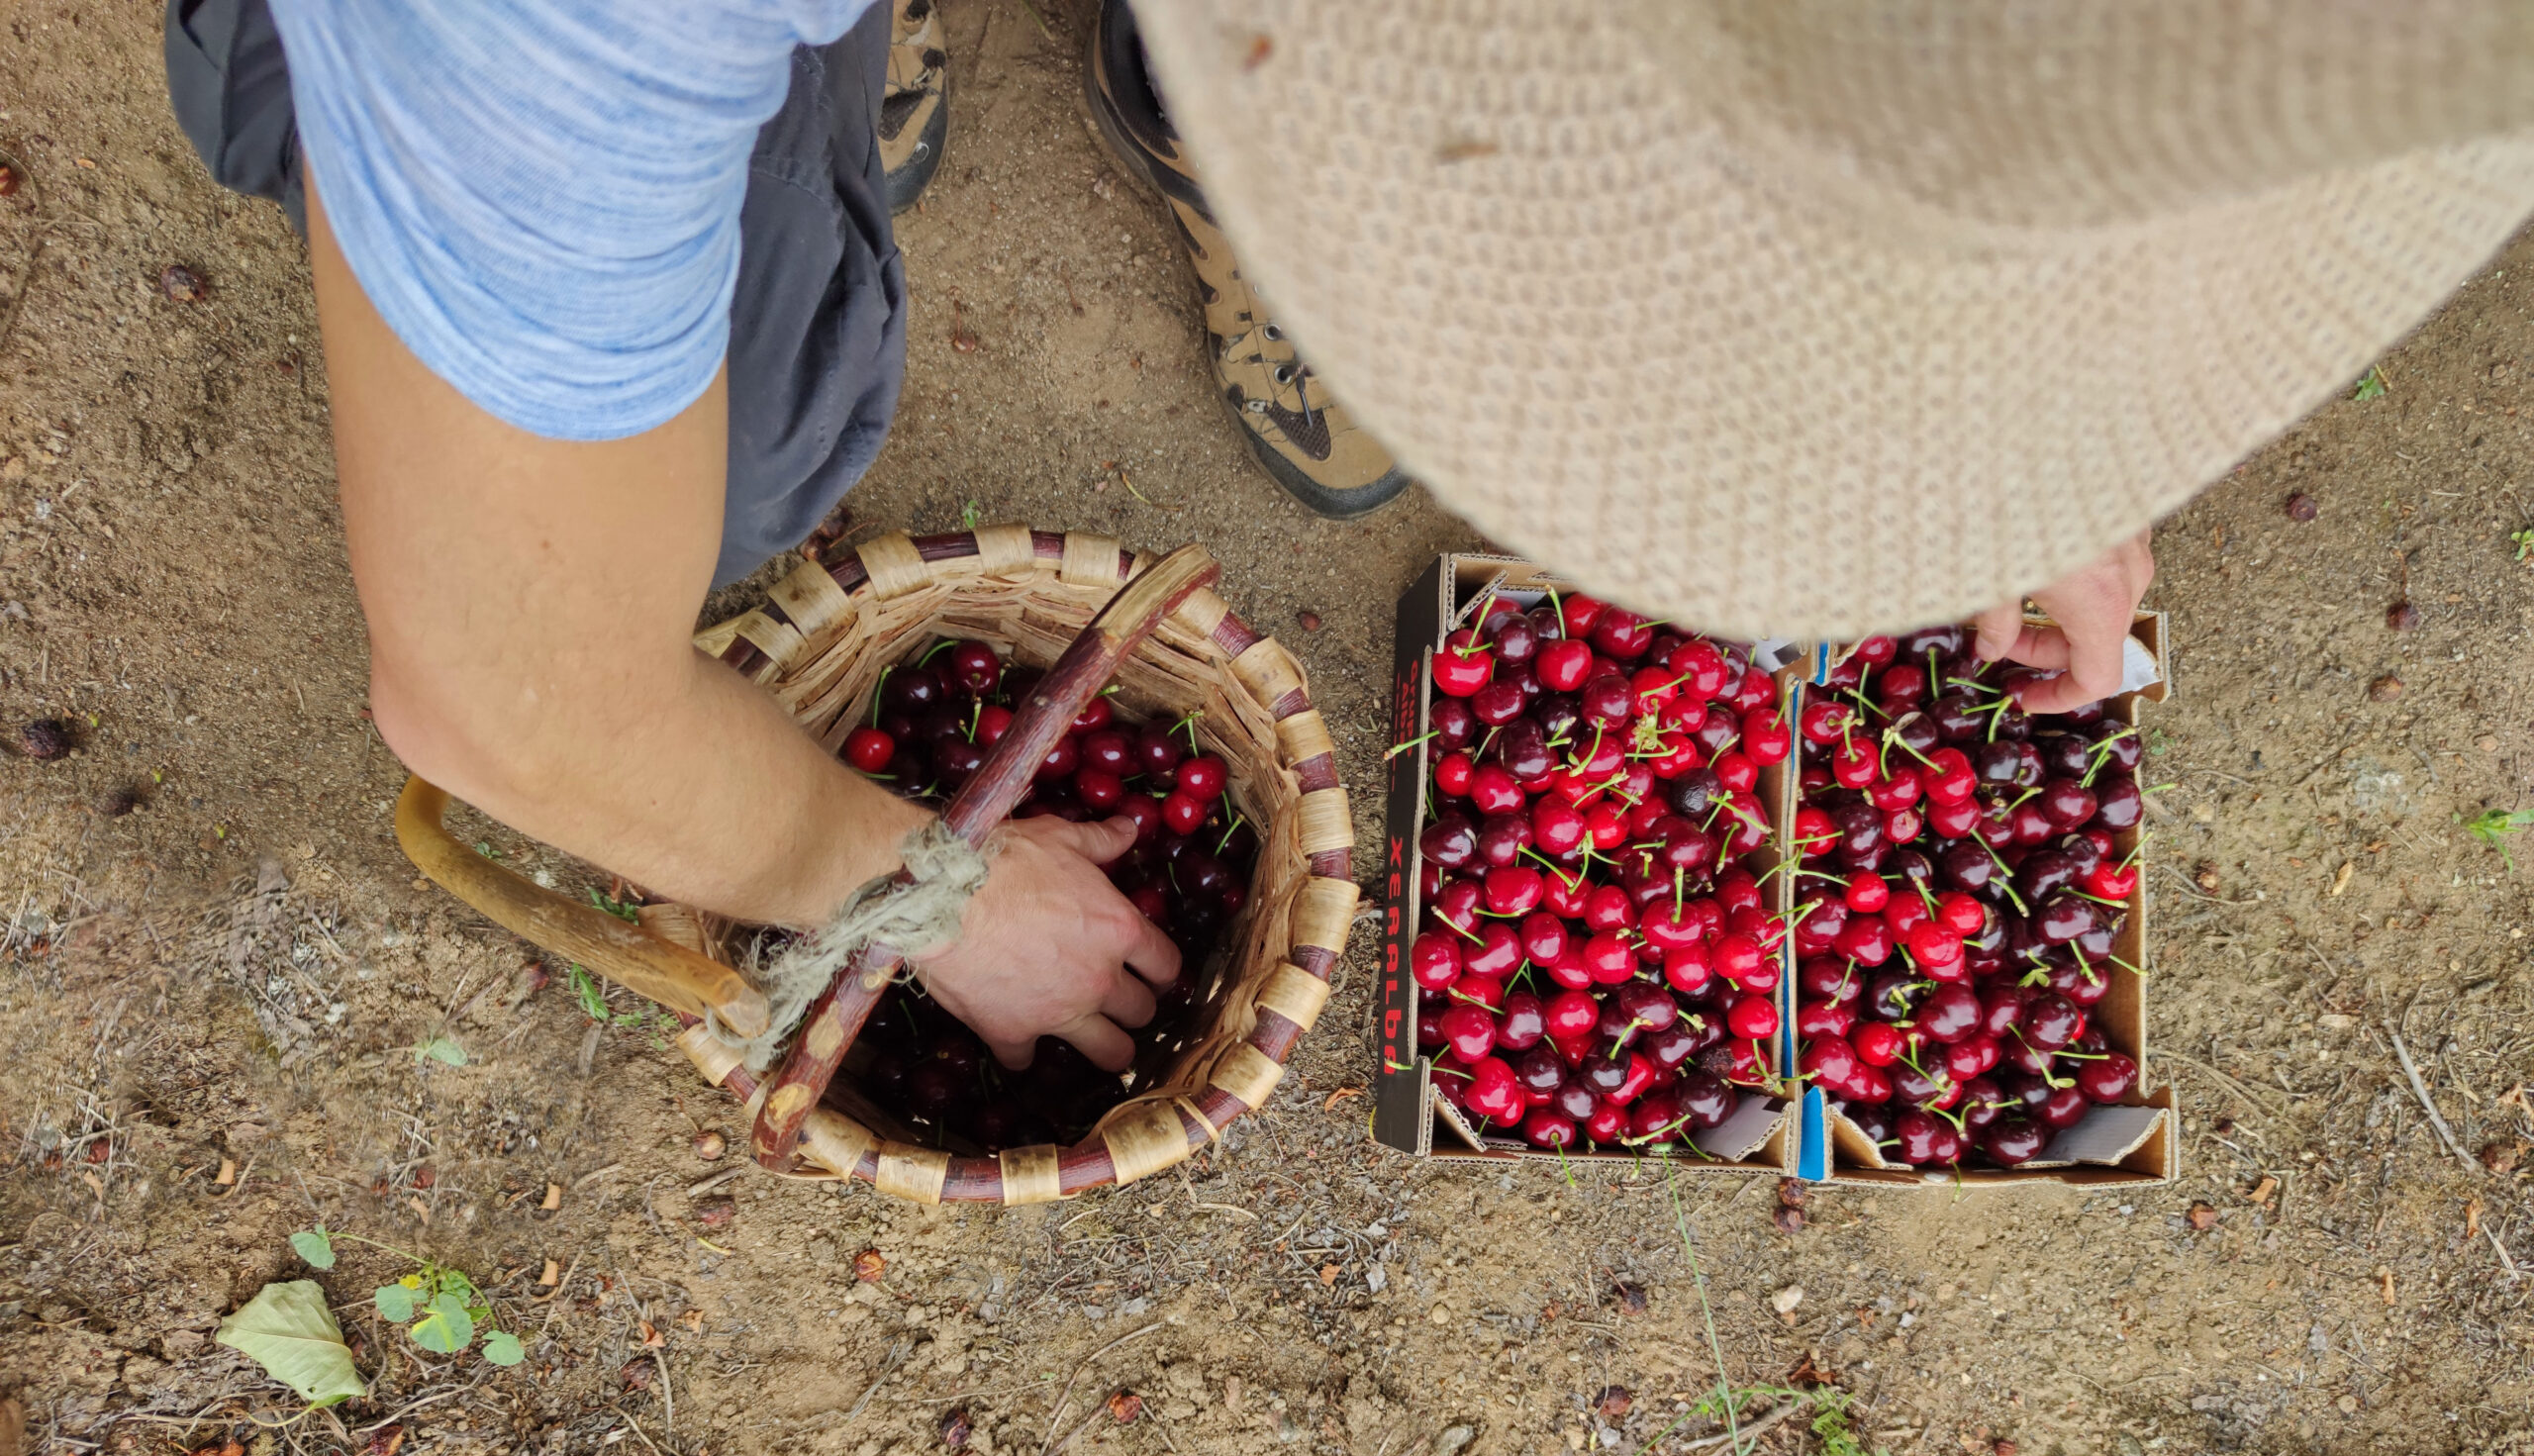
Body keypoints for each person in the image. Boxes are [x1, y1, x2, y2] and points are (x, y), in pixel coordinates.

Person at [164, 0, 2534, 1070]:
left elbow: (2030, 93)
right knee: (749, 439)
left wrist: (2024, 435)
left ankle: (1142, 76)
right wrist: (927, 891)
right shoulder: (564, 24)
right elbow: (507, 691)